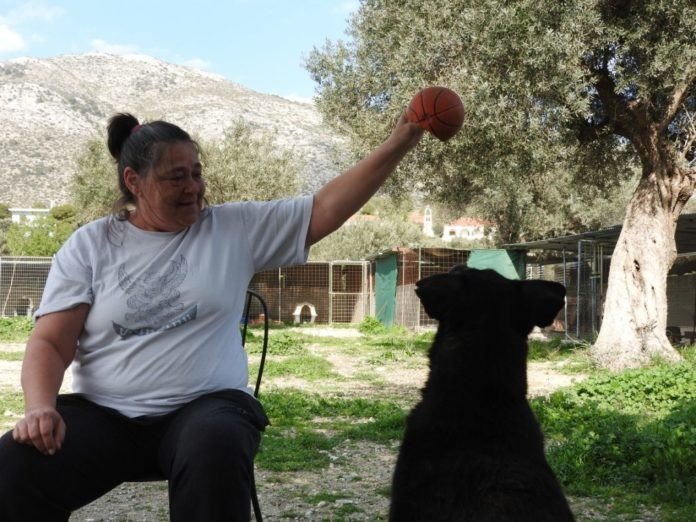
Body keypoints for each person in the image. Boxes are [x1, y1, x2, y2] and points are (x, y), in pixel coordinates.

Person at [0, 110, 423, 521]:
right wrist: (40, 408)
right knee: (14, 465)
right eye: (176, 177)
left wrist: (400, 141)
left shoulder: (232, 229)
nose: (194, 188)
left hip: (207, 408)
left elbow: (324, 208)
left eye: (197, 173)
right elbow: (51, 342)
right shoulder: (90, 245)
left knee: (214, 445)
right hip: (106, 415)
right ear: (135, 182)